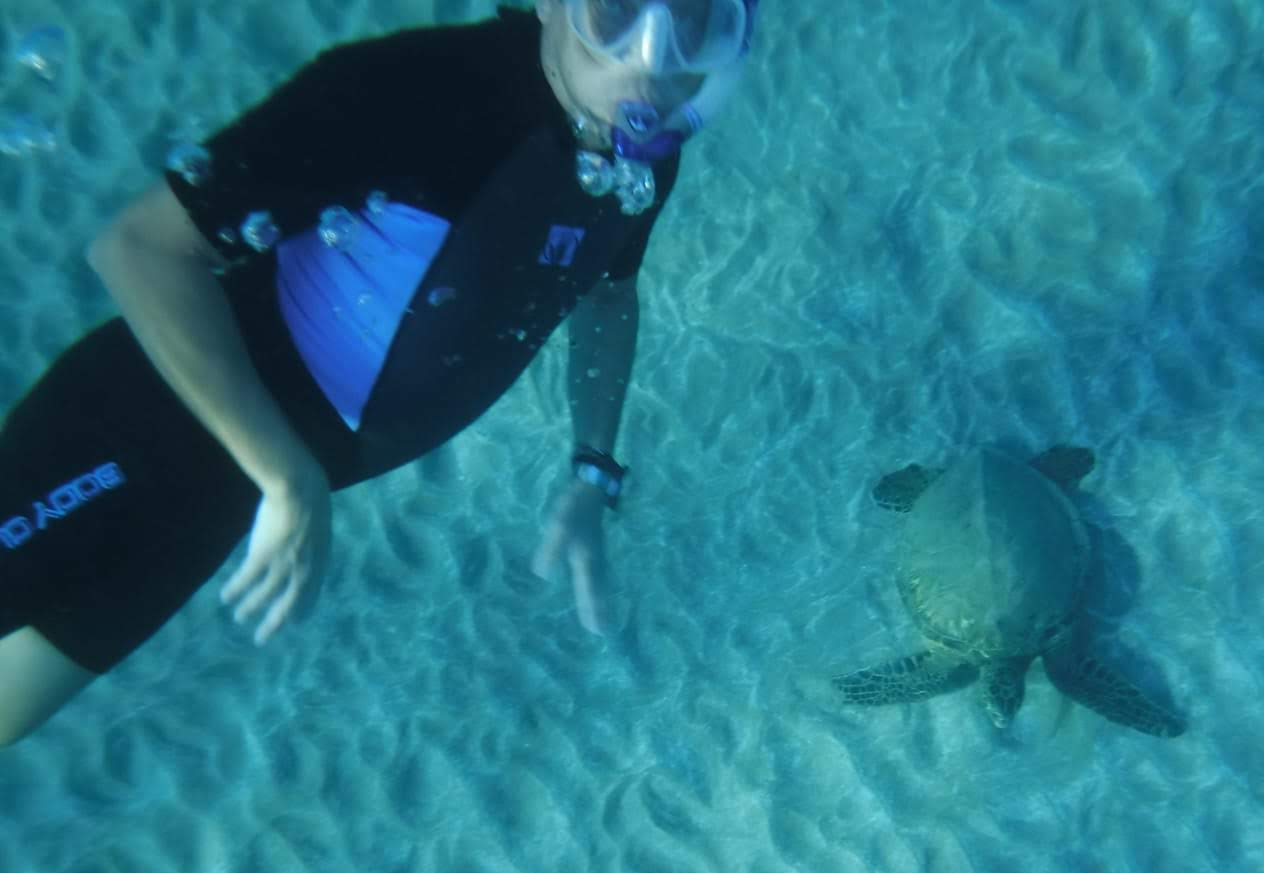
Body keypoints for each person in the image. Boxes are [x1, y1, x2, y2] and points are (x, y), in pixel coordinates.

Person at [0, 0, 758, 748]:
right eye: (617, 11)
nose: (651, 59)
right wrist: (288, 476)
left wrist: (594, 470)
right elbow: (139, 248)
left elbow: (608, 294)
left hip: (226, 506)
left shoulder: (644, 149)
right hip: (135, 430)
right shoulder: (410, 88)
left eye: (695, 19)